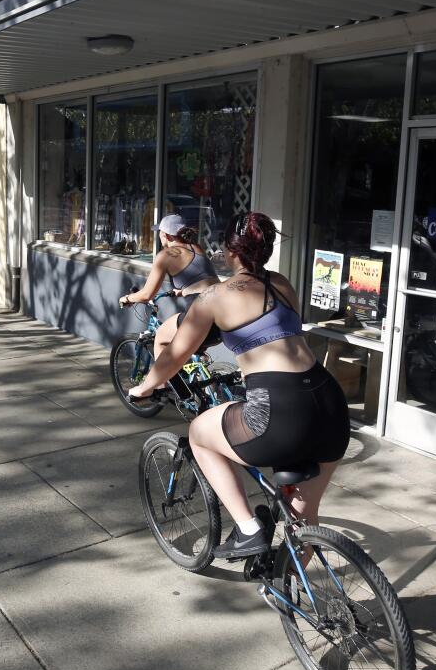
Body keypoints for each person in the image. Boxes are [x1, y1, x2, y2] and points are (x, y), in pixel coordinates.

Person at [128, 211, 350, 558]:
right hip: (330, 405)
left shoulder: (215, 297)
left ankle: (248, 529)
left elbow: (172, 357)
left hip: (280, 408)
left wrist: (143, 387)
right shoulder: (283, 284)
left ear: (228, 252)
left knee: (201, 434)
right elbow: (274, 330)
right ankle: (298, 599)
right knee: (304, 522)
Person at [119, 214, 221, 358]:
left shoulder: (166, 255)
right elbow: (202, 281)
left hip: (200, 315)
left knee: (160, 338)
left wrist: (128, 298)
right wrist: (183, 291)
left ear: (166, 235)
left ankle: (161, 381)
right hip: (222, 315)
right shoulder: (197, 248)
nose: (159, 236)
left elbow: (147, 294)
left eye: (159, 233)